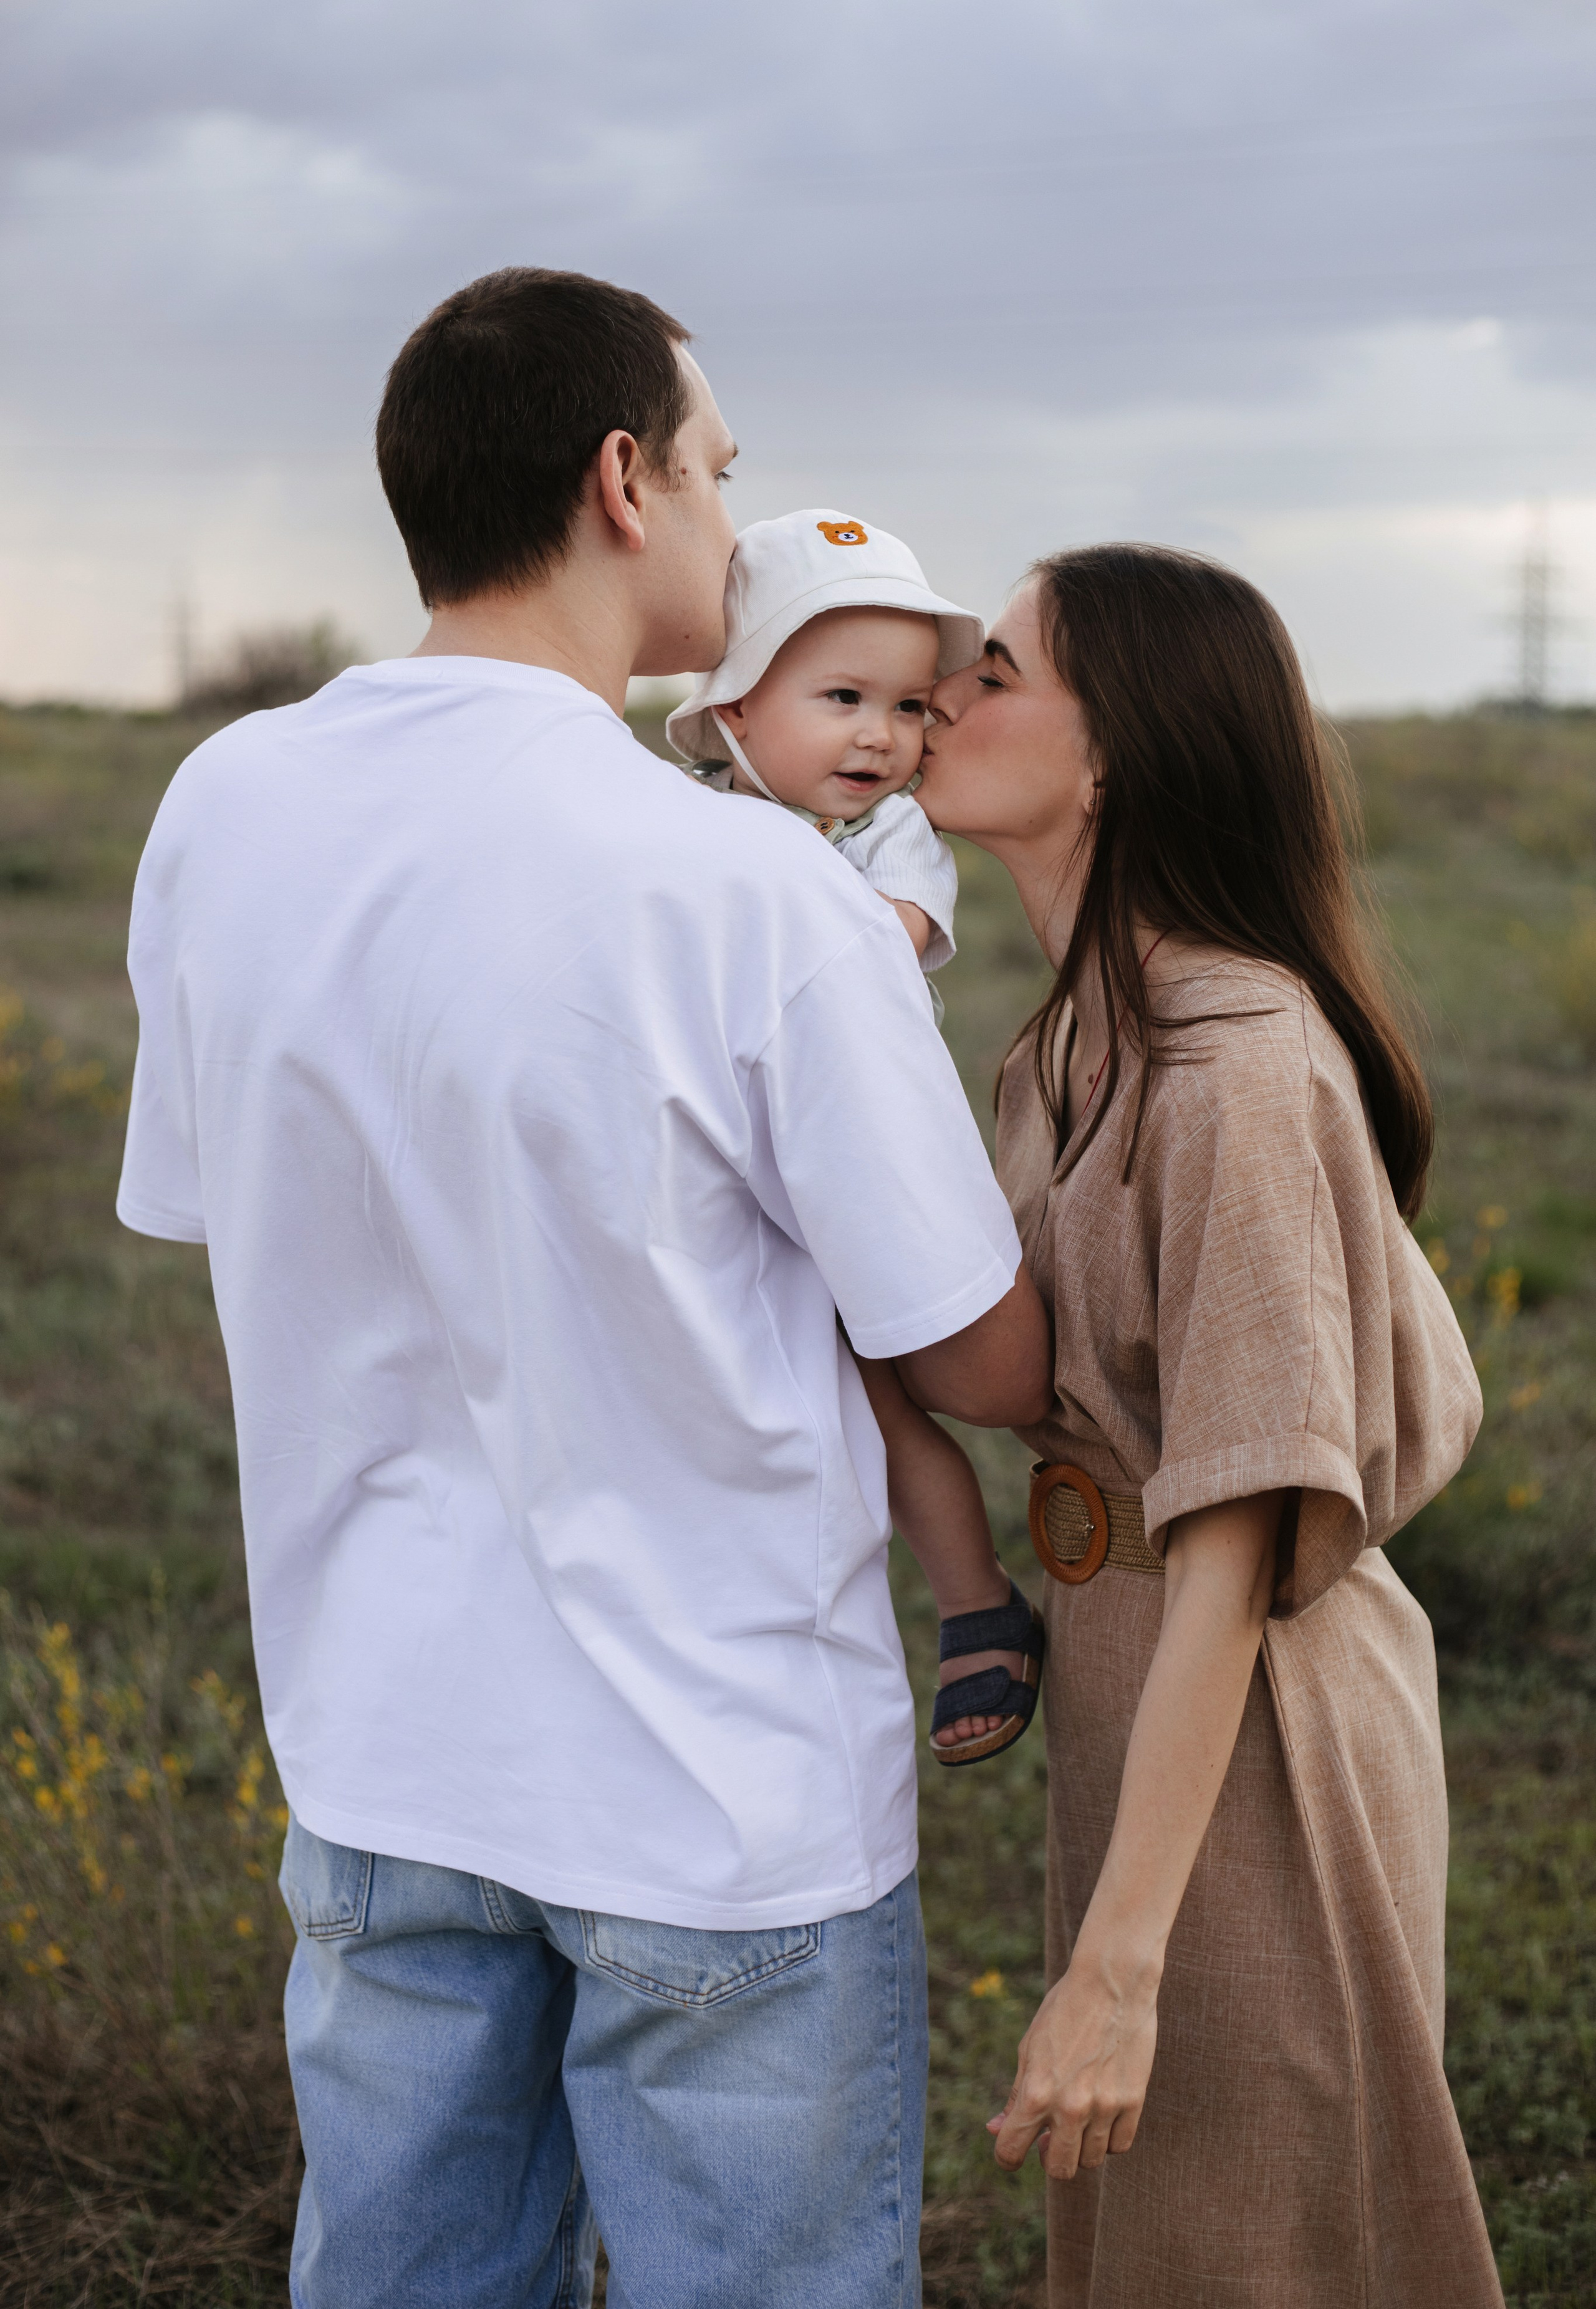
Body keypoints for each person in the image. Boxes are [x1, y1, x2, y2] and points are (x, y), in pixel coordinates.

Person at [115, 266, 1052, 2309]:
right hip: (719, 1798)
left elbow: (230, 1211)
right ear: (622, 481)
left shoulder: (223, 810)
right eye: (721, 471)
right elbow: (979, 1358)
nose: (736, 522)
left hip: (376, 1764)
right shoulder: (754, 891)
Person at [915, 543, 1504, 2309]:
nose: (943, 696)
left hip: (1262, 1724)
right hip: (1140, 1683)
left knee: (1256, 2245)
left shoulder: (1240, 1067)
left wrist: (1117, 1963)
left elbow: (1239, 1543)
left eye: (996, 671)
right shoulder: (1067, 1044)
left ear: (1122, 752)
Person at [666, 507, 1046, 1765]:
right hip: (730, 1169)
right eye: (840, 697)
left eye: (904, 706)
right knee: (797, 1403)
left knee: (891, 1412)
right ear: (731, 713)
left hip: (851, 1172)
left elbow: (859, 956)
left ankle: (973, 1595)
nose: (880, 735)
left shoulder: (888, 838)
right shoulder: (682, 819)